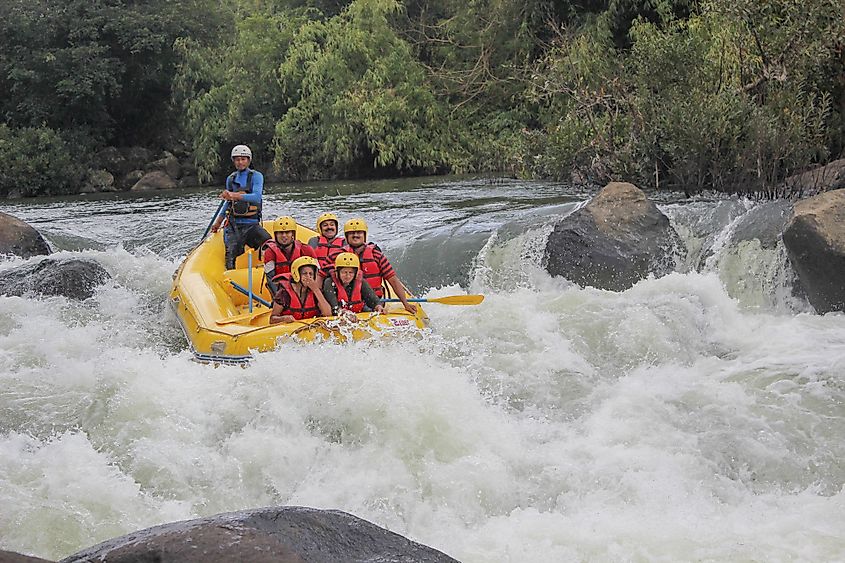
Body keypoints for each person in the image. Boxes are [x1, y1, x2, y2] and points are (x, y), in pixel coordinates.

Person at [210, 144, 271, 270]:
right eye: (237, 159)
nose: (240, 162)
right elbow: (227, 203)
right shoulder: (231, 179)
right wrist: (218, 222)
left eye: (243, 159)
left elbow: (256, 197)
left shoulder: (256, 176)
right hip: (234, 225)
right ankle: (230, 277)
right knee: (231, 255)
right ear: (233, 161)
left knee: (269, 244)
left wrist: (233, 195)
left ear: (249, 160)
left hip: (251, 224)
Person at [340, 218, 417, 313]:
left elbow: (392, 279)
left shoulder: (376, 255)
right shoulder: (339, 256)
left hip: (373, 301)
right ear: (346, 236)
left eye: (359, 232)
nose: (355, 235)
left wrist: (405, 304)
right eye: (352, 233)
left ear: (364, 235)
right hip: (348, 302)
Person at [261, 216, 316, 295]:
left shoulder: (306, 249)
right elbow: (270, 279)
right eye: (280, 233)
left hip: (303, 290)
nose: (284, 235)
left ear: (293, 234)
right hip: (281, 291)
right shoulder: (270, 252)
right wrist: (280, 297)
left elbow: (315, 275)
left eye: (287, 232)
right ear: (275, 235)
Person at [269, 256, 332, 324]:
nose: (308, 277)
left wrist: (316, 290)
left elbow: (327, 314)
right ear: (297, 274)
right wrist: (283, 318)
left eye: (311, 274)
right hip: (290, 330)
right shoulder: (284, 293)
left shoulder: (316, 292)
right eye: (305, 273)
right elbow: (272, 319)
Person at [322, 252, 384, 318]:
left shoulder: (361, 281)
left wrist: (378, 306)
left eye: (351, 272)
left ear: (356, 273)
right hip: (339, 315)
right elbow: (333, 306)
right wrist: (341, 311)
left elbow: (373, 300)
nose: (348, 276)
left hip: (357, 312)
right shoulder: (329, 283)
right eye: (344, 272)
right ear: (337, 272)